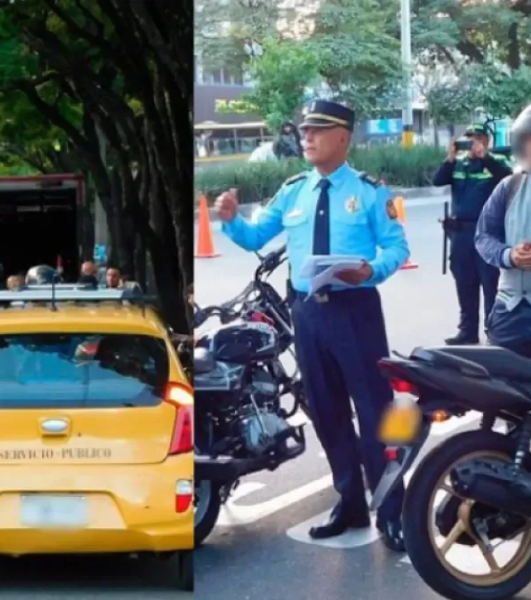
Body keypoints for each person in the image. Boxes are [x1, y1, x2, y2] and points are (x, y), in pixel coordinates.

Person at [214, 99, 410, 551]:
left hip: (355, 311)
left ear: (343, 137)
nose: (307, 137)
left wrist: (371, 270)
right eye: (304, 130)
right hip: (308, 313)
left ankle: (394, 509)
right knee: (325, 409)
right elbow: (256, 236)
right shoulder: (294, 190)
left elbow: (396, 248)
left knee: (375, 411)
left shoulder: (370, 191)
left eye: (317, 130)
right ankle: (350, 501)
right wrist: (231, 222)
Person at [434, 123, 512, 345]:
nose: (472, 142)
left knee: (490, 285)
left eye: (476, 138)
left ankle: (493, 333)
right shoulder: (459, 164)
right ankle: (467, 331)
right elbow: (438, 180)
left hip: (488, 232)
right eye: (468, 138)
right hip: (461, 233)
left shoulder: (497, 161)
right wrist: (449, 158)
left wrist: (485, 157)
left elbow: (506, 177)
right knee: (464, 283)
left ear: (486, 140)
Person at [476, 105, 531, 357]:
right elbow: (484, 236)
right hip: (510, 311)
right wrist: (509, 255)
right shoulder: (509, 187)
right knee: (497, 389)